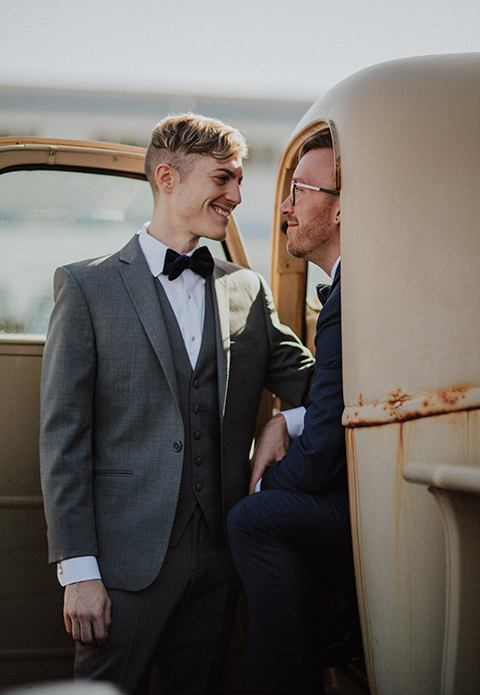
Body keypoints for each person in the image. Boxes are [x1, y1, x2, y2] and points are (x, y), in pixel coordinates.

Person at [39, 113, 315, 695]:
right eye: (223, 179)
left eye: (238, 181)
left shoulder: (247, 288)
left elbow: (315, 385)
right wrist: (79, 571)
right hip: (120, 569)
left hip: (220, 562)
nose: (237, 195)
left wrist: (284, 422)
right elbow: (63, 439)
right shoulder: (86, 286)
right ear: (168, 177)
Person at [227, 129, 357, 695]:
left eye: (299, 191)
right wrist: (287, 419)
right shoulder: (350, 292)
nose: (283, 206)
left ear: (340, 209)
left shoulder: (351, 299)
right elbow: (331, 405)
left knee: (254, 519)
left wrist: (263, 486)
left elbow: (323, 454)